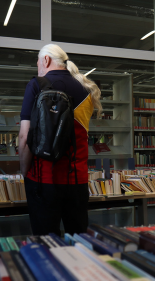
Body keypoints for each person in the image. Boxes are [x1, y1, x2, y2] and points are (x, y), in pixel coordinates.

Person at [19, 44, 102, 236]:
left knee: (46, 243)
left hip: (43, 179)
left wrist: (25, 170)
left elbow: (25, 135)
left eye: (38, 62)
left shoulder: (36, 85)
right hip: (77, 181)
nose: (38, 67)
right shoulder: (86, 88)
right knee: (78, 239)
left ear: (46, 60)